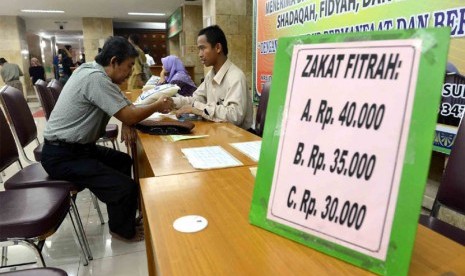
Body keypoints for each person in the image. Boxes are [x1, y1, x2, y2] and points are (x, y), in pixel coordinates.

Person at [40, 36, 174, 242]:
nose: (130, 72)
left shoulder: (90, 70)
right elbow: (129, 114)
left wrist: (128, 121)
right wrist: (158, 105)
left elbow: (127, 111)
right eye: (129, 66)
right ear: (113, 62)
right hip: (63, 156)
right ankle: (121, 231)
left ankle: (121, 219)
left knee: (123, 161)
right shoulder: (96, 79)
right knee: (125, 187)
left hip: (77, 149)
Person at [171, 25, 253, 130]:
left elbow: (235, 116)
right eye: (199, 49)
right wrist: (172, 102)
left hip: (239, 137)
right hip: (220, 131)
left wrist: (198, 108)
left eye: (203, 48)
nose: (200, 54)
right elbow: (195, 99)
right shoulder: (211, 75)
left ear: (218, 48)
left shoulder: (236, 76)